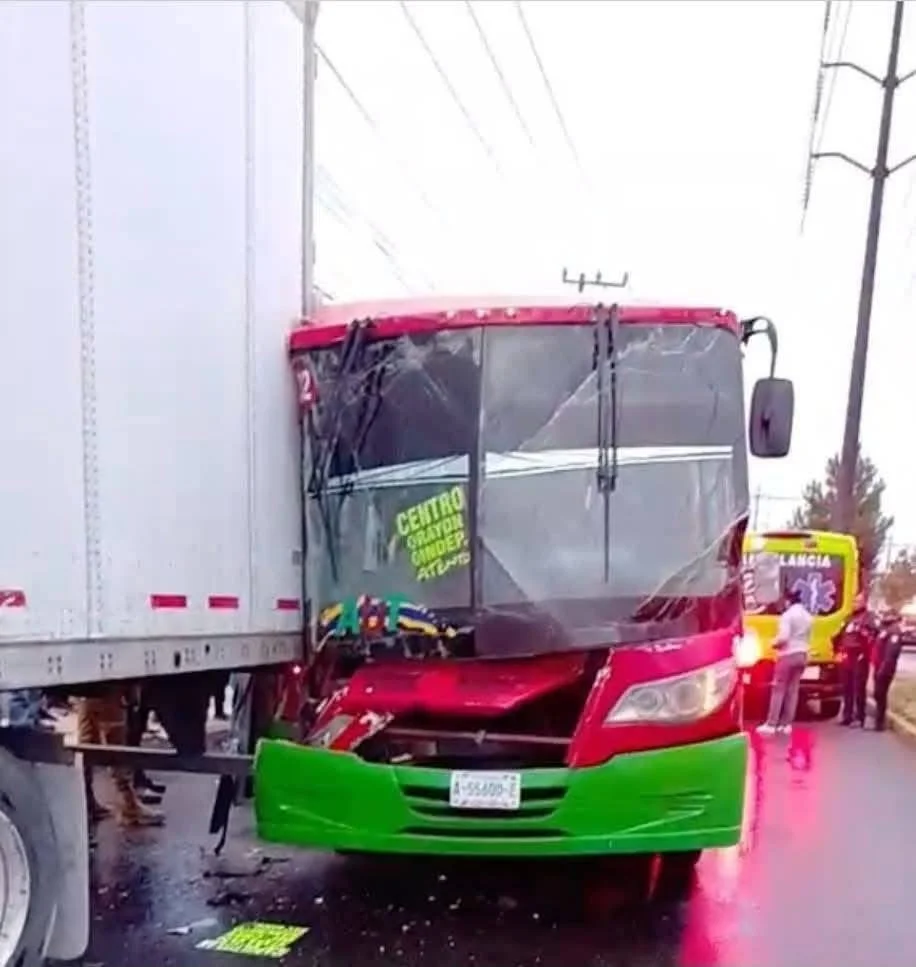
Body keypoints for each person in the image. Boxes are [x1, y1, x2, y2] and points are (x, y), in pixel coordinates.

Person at [77, 688, 164, 827]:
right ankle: (129, 806)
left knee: (88, 744)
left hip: (86, 688)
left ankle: (85, 802)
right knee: (116, 748)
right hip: (110, 687)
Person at [757, 587, 813, 735]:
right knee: (793, 690)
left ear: (788, 601)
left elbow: (783, 637)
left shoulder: (787, 616)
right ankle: (786, 724)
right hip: (802, 654)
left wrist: (771, 643)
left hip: (787, 655)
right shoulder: (808, 617)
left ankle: (771, 724)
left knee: (778, 689)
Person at [834, 592, 879, 727]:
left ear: (864, 603)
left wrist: (863, 633)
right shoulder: (848, 618)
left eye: (858, 601)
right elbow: (840, 634)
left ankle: (859, 717)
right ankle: (847, 716)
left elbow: (874, 634)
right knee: (846, 687)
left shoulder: (869, 618)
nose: (855, 604)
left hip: (859, 656)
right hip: (846, 655)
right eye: (854, 601)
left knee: (858, 687)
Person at [872, 611, 904, 731]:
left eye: (889, 615)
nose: (885, 617)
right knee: (877, 693)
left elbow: (891, 653)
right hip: (879, 665)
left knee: (881, 693)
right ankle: (878, 719)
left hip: (886, 668)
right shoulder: (884, 629)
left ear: (894, 618)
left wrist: (884, 668)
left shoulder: (895, 631)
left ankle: (880, 722)